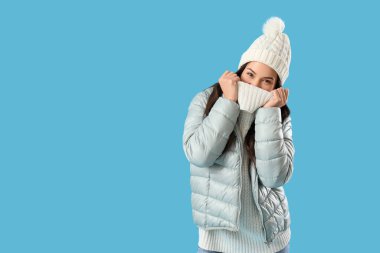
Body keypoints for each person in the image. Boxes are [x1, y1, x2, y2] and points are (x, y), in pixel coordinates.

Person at [182, 16, 295, 253]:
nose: (254, 85)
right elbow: (198, 155)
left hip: (269, 241)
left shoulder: (279, 114)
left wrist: (269, 113)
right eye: (250, 74)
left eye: (266, 81)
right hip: (216, 241)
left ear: (276, 86)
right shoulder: (206, 100)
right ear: (240, 70)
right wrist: (228, 102)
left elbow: (275, 177)